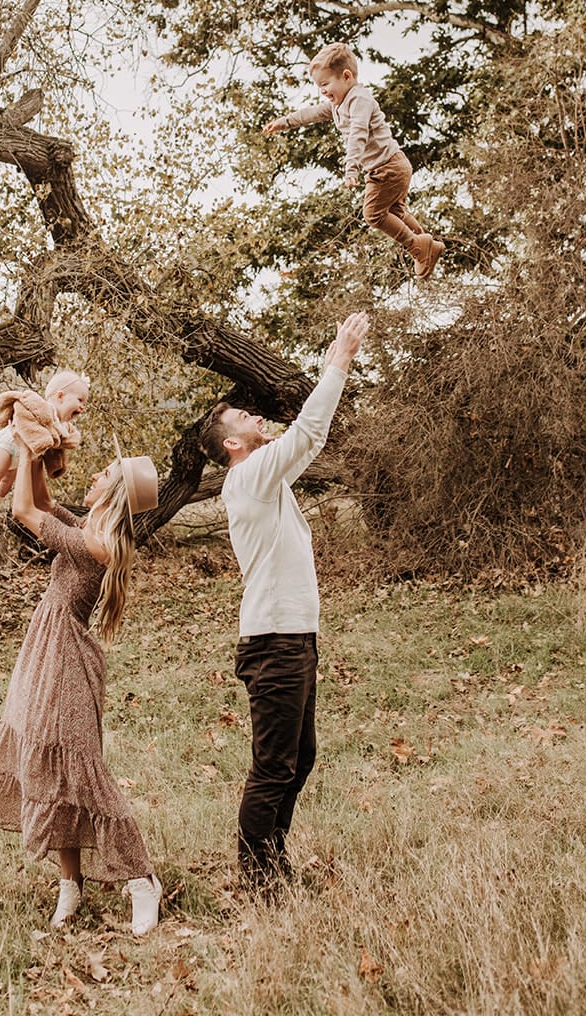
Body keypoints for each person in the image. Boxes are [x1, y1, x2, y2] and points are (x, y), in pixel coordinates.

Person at [0, 412, 163, 937]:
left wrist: (28, 445)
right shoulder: (87, 526)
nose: (92, 476)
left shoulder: (100, 543)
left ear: (113, 493)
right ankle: (69, 884)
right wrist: (32, 439)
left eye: (102, 474)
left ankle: (141, 879)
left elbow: (26, 510)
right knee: (51, 769)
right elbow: (46, 504)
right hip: (46, 647)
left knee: (82, 770)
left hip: (68, 655)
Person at [198, 311, 371, 891]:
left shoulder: (268, 483)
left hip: (292, 637)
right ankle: (257, 880)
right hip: (274, 642)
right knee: (274, 767)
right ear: (232, 443)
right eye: (246, 417)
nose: (257, 417)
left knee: (300, 758)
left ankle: (272, 862)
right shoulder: (246, 479)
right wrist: (339, 357)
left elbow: (299, 449)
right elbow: (308, 434)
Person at [264, 41, 445, 279]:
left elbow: (358, 133)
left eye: (326, 84)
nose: (323, 91)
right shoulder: (339, 104)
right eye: (320, 86)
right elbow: (311, 113)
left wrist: (352, 168)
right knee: (396, 212)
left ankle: (418, 248)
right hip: (394, 164)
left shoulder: (359, 100)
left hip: (386, 168)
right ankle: (427, 244)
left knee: (373, 215)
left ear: (346, 76)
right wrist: (284, 122)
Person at [0, 370, 89, 541]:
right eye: (79, 400)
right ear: (60, 396)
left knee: (4, 488)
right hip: (6, 444)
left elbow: (64, 441)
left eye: (85, 403)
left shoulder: (62, 425)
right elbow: (22, 407)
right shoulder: (43, 408)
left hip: (22, 456)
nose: (83, 406)